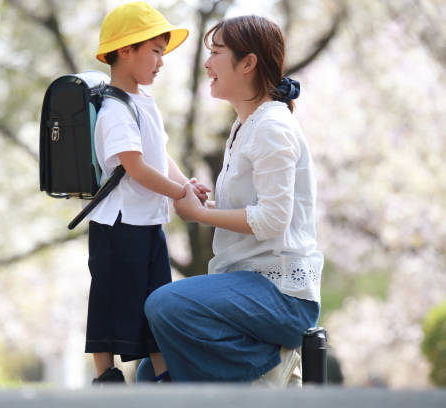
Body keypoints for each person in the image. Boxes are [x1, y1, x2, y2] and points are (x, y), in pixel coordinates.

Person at [137, 15, 322, 385]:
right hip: (247, 286)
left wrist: (200, 216)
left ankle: (267, 364)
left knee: (164, 305)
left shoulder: (272, 127)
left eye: (216, 53)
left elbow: (272, 220)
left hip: (282, 295)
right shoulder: (244, 126)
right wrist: (205, 207)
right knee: (150, 371)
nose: (207, 64)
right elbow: (254, 212)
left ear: (248, 63)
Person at [86, 1, 210, 384]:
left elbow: (159, 155)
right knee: (109, 301)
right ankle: (107, 377)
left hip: (146, 221)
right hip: (118, 225)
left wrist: (185, 184)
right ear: (126, 50)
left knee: (156, 300)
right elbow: (135, 168)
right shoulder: (114, 109)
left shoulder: (143, 103)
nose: (161, 61)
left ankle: (165, 376)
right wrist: (177, 193)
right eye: (155, 51)